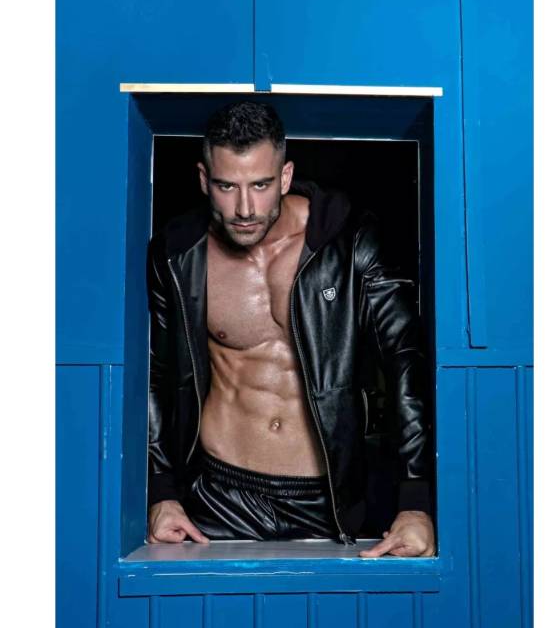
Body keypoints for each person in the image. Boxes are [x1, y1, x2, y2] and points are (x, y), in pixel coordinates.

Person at [146, 101, 435, 557]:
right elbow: (155, 376)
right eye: (227, 186)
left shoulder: (348, 240)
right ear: (204, 179)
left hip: (329, 499)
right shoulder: (178, 253)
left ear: (284, 176)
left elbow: (405, 361)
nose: (245, 208)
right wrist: (162, 490)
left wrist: (415, 498)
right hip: (219, 496)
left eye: (260, 185)